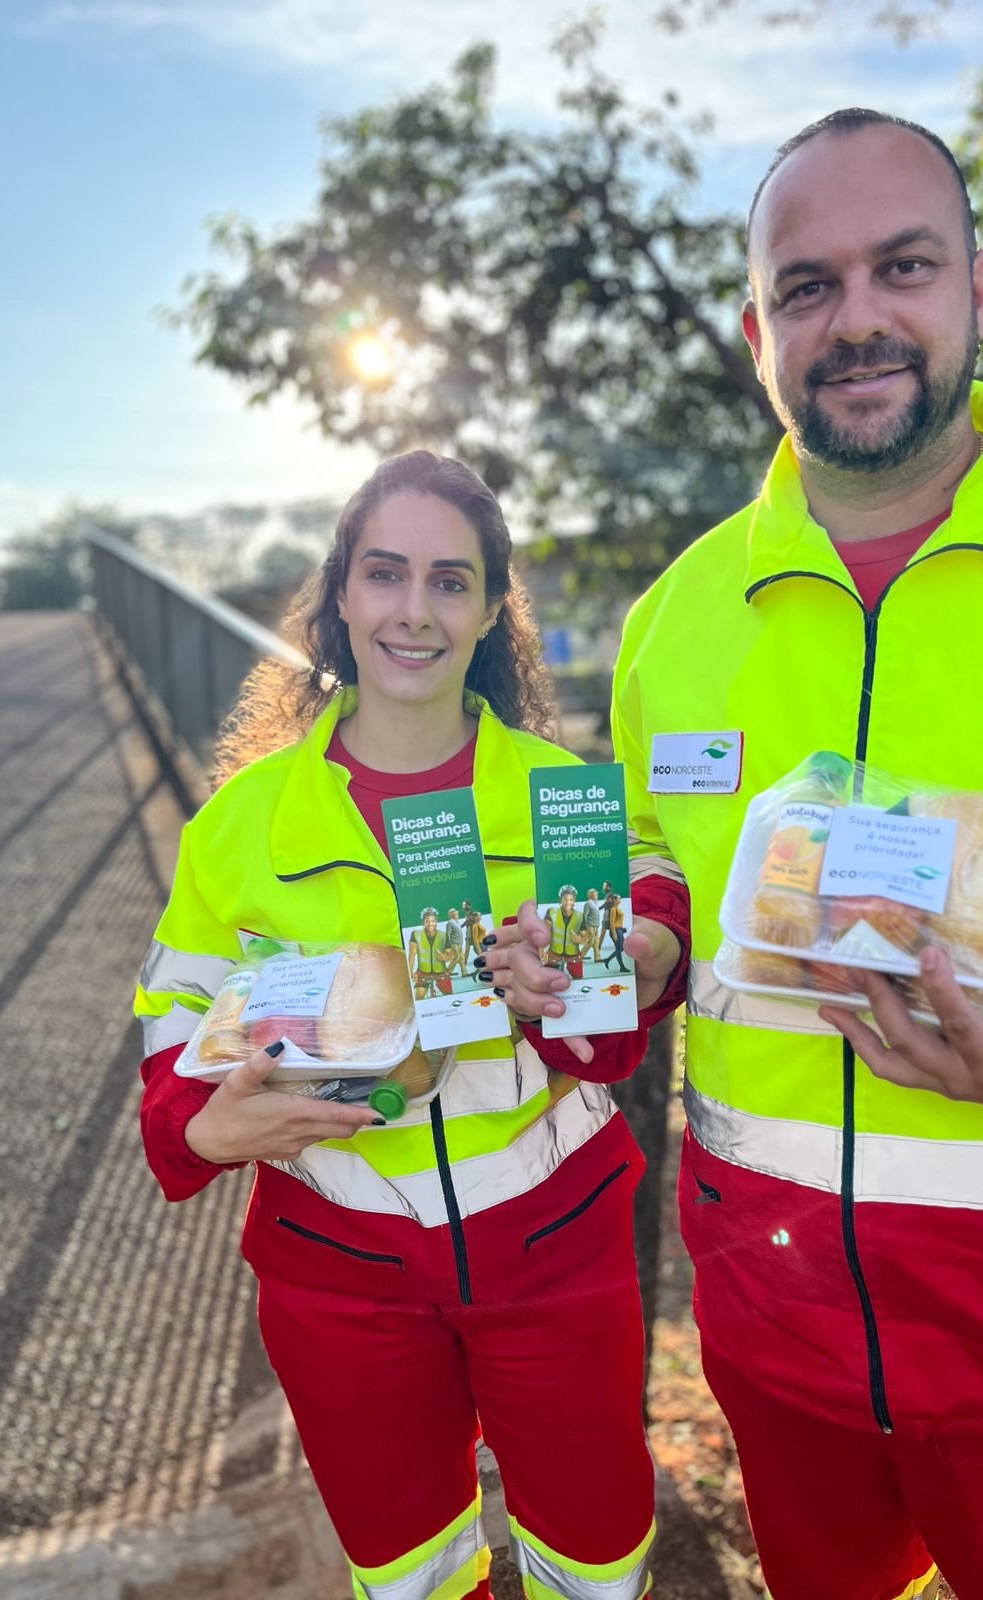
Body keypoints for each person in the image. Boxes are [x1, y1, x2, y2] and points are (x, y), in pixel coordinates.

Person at [490, 109, 983, 1600]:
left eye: (904, 267)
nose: (856, 318)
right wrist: (632, 948)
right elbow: (673, 868)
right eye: (807, 286)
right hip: (779, 1333)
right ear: (757, 333)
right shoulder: (678, 619)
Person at [134, 452, 658, 1600]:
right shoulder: (240, 823)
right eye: (384, 575)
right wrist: (199, 1128)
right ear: (338, 598)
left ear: (487, 612)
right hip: (336, 1266)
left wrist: (559, 991)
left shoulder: (558, 791)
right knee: (412, 1572)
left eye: (449, 581)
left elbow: (611, 1046)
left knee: (600, 1556)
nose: (413, 610)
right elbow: (173, 1037)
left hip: (555, 1247)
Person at [410, 905, 455, 997]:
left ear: (436, 922)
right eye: (427, 921)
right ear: (423, 922)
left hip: (441, 973)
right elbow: (412, 953)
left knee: (450, 997)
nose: (430, 924)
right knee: (419, 997)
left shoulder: (443, 935)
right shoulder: (415, 934)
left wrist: (445, 958)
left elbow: (451, 955)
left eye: (433, 921)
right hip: (423, 973)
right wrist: (410, 971)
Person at [544, 885, 585, 970]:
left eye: (571, 900)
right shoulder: (551, 912)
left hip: (573, 956)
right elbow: (544, 932)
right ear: (560, 900)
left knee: (578, 977)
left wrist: (579, 940)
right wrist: (542, 951)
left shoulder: (580, 916)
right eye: (565, 899)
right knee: (549, 978)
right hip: (554, 954)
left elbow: (585, 936)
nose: (568, 902)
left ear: (574, 901)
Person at [603, 893, 630, 974]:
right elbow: (611, 922)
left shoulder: (617, 908)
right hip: (616, 930)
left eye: (620, 898)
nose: (620, 900)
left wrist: (622, 929)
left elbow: (618, 920)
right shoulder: (613, 909)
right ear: (614, 900)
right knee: (619, 949)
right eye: (618, 898)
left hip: (619, 930)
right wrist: (614, 933)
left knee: (621, 948)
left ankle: (607, 960)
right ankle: (622, 967)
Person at [581, 887, 603, 964]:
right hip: (590, 926)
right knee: (591, 941)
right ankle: (580, 955)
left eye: (597, 894)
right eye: (595, 894)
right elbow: (585, 915)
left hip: (596, 925)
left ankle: (597, 958)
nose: (597, 895)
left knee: (596, 941)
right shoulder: (588, 903)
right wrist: (585, 927)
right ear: (590, 895)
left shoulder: (595, 903)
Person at [445, 906, 469, 977]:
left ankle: (464, 973)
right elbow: (448, 934)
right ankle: (446, 973)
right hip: (454, 943)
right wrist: (448, 945)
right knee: (456, 958)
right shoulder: (450, 923)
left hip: (459, 942)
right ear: (452, 914)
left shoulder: (456, 922)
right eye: (456, 913)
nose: (457, 914)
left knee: (461, 958)